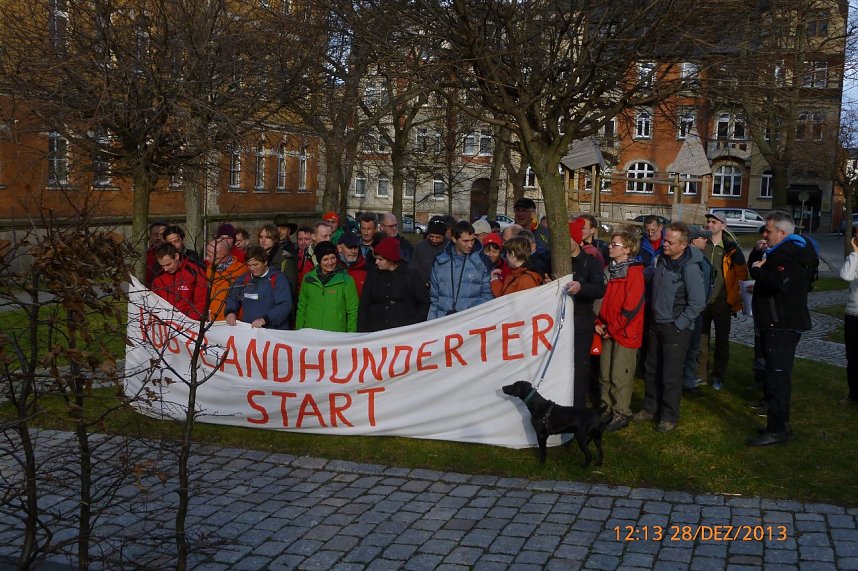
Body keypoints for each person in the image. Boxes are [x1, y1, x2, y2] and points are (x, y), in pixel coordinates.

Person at [747, 211, 818, 446]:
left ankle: (777, 429)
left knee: (778, 378)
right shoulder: (781, 251)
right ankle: (780, 425)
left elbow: (781, 283)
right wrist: (758, 264)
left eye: (768, 230)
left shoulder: (787, 253)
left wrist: (758, 271)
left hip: (782, 325)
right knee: (776, 376)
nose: (764, 234)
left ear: (782, 232)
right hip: (777, 323)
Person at [634, 222, 706, 433]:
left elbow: (698, 302)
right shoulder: (661, 260)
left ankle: (669, 416)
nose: (664, 244)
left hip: (676, 328)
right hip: (656, 323)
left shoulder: (690, 268)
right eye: (664, 240)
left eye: (669, 242)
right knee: (651, 368)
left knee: (671, 374)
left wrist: (680, 324)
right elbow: (646, 275)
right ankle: (649, 408)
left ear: (683, 244)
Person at [595, 231, 645, 432]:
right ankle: (605, 406)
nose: (610, 247)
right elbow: (603, 300)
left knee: (620, 374)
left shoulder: (633, 273)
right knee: (605, 371)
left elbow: (631, 308)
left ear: (627, 249)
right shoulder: (611, 271)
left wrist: (613, 328)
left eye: (615, 244)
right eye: (611, 243)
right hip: (608, 328)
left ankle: (621, 411)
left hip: (624, 332)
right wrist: (599, 322)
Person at [696, 212, 748, 390]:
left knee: (721, 341)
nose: (709, 224)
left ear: (722, 226)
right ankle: (700, 374)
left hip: (723, 302)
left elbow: (741, 276)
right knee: (701, 340)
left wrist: (733, 299)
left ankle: (718, 376)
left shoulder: (732, 249)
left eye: (713, 222)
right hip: (701, 301)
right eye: (708, 221)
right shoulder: (701, 244)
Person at [565, 218, 607, 407]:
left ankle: (577, 407)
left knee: (579, 367)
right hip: (558, 322)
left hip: (581, 322)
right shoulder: (555, 259)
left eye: (567, 238)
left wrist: (581, 288)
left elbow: (599, 289)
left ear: (575, 239)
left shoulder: (590, 262)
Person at [358, 237, 430, 332]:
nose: (376, 262)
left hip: (404, 332)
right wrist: (362, 331)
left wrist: (414, 325)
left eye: (380, 259)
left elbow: (424, 303)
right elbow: (364, 304)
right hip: (376, 331)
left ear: (390, 259)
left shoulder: (411, 275)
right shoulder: (373, 275)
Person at [428, 221, 493, 319]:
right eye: (465, 241)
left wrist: (465, 314)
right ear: (454, 239)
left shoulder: (483, 262)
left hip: (471, 322)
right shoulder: (439, 262)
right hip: (443, 322)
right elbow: (434, 299)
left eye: (472, 240)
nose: (470, 245)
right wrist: (431, 324)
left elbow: (488, 296)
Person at [296, 241, 359, 332]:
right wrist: (299, 331)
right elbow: (302, 307)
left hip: (336, 335)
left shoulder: (346, 280)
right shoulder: (308, 279)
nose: (330, 263)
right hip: (311, 334)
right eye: (325, 259)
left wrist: (351, 335)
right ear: (319, 261)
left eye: (333, 258)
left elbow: (353, 311)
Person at [224, 246, 293, 330]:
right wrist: (230, 312)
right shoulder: (245, 278)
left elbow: (284, 305)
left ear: (265, 262)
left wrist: (265, 319)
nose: (252, 268)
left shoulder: (278, 279)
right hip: (251, 330)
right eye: (249, 265)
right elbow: (233, 297)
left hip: (273, 331)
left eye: (256, 264)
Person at [683, 227, 714, 395]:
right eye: (703, 238)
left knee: (693, 346)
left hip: (698, 310)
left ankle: (688, 379)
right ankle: (687, 380)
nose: (706, 241)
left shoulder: (700, 258)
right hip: (692, 310)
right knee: (690, 347)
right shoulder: (693, 260)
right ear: (694, 241)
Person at [151, 243, 207, 320]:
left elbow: (201, 302)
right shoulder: (158, 278)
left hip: (190, 324)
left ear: (177, 256)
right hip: (166, 324)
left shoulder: (194, 272)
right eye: (162, 265)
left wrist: (189, 321)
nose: (166, 269)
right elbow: (155, 304)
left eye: (168, 264)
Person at [205, 238, 247, 321]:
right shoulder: (209, 270)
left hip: (233, 322)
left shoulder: (242, 270)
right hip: (212, 322)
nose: (206, 258)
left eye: (209, 255)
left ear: (220, 255)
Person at [840, 225, 858, 406]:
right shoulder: (855, 257)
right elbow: (845, 276)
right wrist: (855, 254)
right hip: (853, 313)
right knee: (852, 357)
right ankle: (853, 395)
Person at [412, 217, 450, 287]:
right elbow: (414, 269)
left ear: (444, 236)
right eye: (431, 236)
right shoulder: (420, 247)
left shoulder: (451, 247)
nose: (434, 240)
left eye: (438, 237)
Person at [144, 220, 167, 287]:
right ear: (150, 237)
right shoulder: (144, 256)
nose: (159, 238)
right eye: (155, 235)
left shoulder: (176, 255)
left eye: (162, 235)